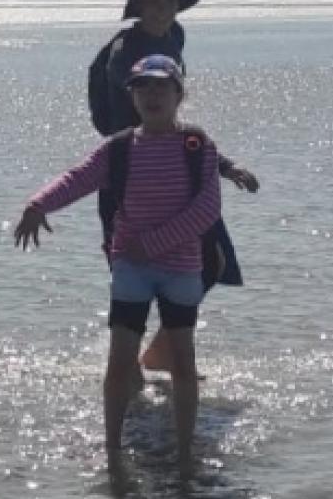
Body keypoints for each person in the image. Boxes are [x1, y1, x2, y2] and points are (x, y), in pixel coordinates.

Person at [15, 55, 231, 474]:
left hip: (181, 269)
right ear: (132, 97)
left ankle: (185, 456)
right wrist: (38, 204)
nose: (152, 95)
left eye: (161, 86)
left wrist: (152, 244)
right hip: (133, 269)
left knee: (183, 365)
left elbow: (206, 211)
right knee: (119, 363)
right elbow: (77, 178)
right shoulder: (119, 149)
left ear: (179, 95)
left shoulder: (197, 146)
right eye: (142, 87)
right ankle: (112, 451)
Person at [87, 0, 258, 373]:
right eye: (153, 3)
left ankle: (162, 353)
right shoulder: (123, 55)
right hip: (130, 177)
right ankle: (128, 370)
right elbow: (136, 126)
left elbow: (172, 121)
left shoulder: (175, 35)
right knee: (130, 272)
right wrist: (216, 163)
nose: (163, 11)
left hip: (174, 166)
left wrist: (222, 165)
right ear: (137, 7)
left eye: (169, 2)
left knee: (211, 261)